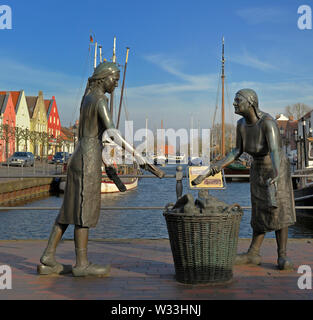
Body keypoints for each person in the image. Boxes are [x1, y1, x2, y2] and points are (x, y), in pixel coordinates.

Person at [37, 61, 165, 277]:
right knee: (83, 211)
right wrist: (139, 156)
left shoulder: (86, 98)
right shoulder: (100, 100)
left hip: (80, 156)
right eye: (114, 79)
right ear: (104, 78)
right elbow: (112, 133)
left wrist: (103, 160)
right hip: (88, 159)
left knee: (69, 209)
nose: (116, 84)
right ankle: (82, 264)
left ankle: (48, 256)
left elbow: (90, 135)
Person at [192, 88, 296, 270]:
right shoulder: (241, 124)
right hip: (257, 168)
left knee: (278, 209)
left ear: (251, 103)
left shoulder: (268, 123)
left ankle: (282, 255)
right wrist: (215, 168)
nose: (234, 103)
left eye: (238, 100)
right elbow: (236, 151)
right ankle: (253, 253)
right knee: (259, 210)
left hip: (275, 166)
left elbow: (275, 151)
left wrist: (277, 175)